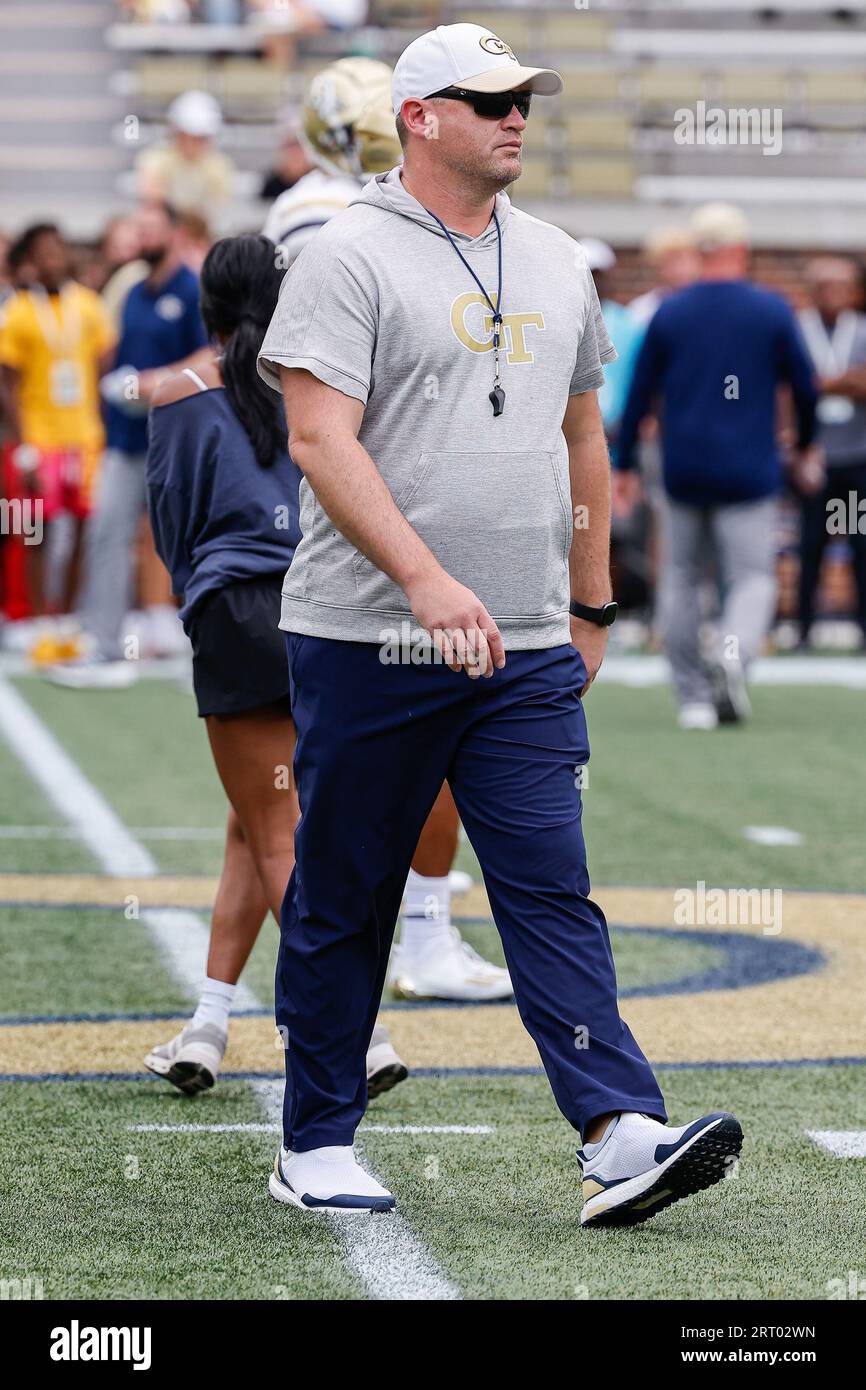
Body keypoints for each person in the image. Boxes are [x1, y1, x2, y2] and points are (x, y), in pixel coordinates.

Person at [257, 22, 743, 1220]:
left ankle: (616, 1126)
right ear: (418, 116)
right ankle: (312, 1138)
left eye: (522, 97)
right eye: (486, 100)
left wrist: (588, 599)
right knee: (345, 887)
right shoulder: (344, 253)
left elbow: (582, 433)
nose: (514, 115)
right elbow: (317, 437)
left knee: (546, 882)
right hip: (370, 634)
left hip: (525, 641)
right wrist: (424, 579)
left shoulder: (556, 253)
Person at [263, 55, 513, 1003]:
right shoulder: (339, 230)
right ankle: (412, 943)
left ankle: (402, 945)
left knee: (297, 782)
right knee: (338, 772)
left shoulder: (353, 218)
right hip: (355, 514)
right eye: (487, 105)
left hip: (369, 501)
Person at [143, 234, 406, 1097]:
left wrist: (204, 606)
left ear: (208, 308)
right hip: (323, 610)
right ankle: (208, 1023)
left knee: (276, 829)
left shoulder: (183, 396)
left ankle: (355, 1032)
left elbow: (175, 528)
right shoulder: (316, 382)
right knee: (262, 819)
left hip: (238, 613)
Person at [615, 202, 819, 730]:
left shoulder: (671, 312)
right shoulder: (771, 309)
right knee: (750, 577)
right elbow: (804, 387)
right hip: (749, 467)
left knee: (681, 577)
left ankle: (693, 698)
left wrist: (626, 464)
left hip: (683, 467)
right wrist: (807, 445)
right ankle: (732, 653)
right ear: (741, 249)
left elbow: (639, 393)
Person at [48, 202, 209, 688]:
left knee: (189, 541)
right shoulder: (136, 292)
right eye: (137, 229)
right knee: (107, 534)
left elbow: (210, 355)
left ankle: (202, 647)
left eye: (150, 228)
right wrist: (121, 385)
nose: (140, 237)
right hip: (125, 438)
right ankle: (105, 644)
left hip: (177, 438)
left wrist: (151, 383)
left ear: (174, 232)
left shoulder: (191, 290)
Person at [0, 224, 116, 654]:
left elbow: (104, 363)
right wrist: (23, 443)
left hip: (83, 439)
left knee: (84, 530)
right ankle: (32, 620)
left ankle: (67, 618)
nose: (51, 260)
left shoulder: (88, 305)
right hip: (38, 439)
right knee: (31, 531)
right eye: (42, 253)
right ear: (30, 259)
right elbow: (6, 382)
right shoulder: (18, 310)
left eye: (57, 251)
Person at [797, 256, 866, 649]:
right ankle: (803, 628)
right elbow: (793, 387)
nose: (832, 294)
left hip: (857, 458)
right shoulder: (797, 328)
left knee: (860, 541)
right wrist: (847, 380)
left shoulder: (860, 329)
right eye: (824, 285)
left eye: (841, 285)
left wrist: (822, 383)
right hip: (814, 457)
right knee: (811, 545)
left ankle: (862, 627)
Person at [136, 90, 236, 219]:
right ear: (176, 132)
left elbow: (219, 207)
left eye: (201, 138)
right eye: (189, 136)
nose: (193, 144)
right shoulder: (154, 160)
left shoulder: (219, 165)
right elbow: (154, 203)